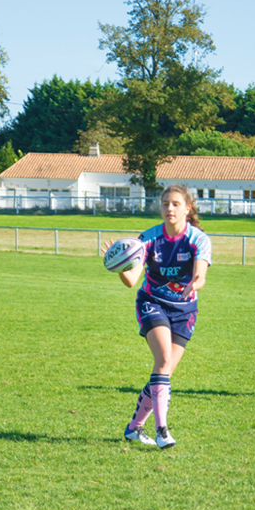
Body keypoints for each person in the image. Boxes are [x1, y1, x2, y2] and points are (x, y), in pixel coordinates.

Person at [102, 185, 212, 449]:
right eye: (165, 204)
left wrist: (194, 285)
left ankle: (133, 429)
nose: (169, 209)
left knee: (163, 372)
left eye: (175, 204)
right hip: (152, 303)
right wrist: (117, 264)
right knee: (162, 360)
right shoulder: (148, 239)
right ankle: (162, 429)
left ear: (187, 208)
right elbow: (130, 281)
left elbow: (201, 277)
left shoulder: (199, 239)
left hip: (184, 310)